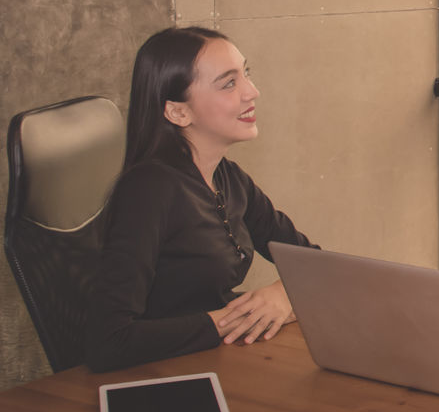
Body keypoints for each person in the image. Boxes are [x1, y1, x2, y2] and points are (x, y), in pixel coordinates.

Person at [85, 27, 315, 372]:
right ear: (178, 113)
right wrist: (227, 321)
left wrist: (283, 294)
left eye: (246, 74)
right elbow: (109, 342)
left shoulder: (228, 176)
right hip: (158, 382)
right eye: (228, 83)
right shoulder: (148, 191)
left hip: (214, 363)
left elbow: (313, 265)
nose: (252, 92)